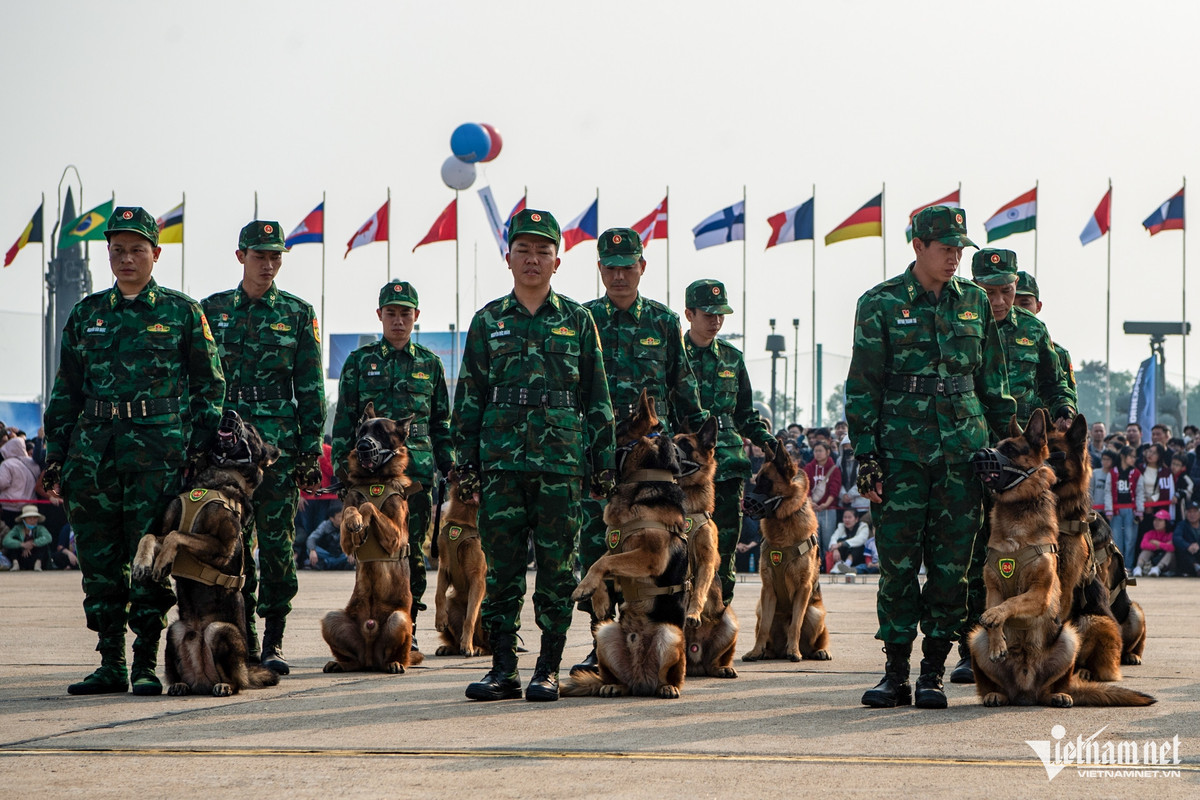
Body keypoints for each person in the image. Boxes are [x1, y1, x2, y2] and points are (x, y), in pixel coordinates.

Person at [43, 206, 225, 695]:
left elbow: (211, 384)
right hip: (94, 455)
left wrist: (197, 446)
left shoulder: (182, 312)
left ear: (155, 254)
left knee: (149, 561)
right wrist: (56, 454)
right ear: (108, 254)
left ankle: (145, 662)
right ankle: (110, 662)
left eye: (137, 250)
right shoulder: (86, 314)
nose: (127, 259)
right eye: (118, 250)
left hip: (158, 456)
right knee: (100, 563)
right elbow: (66, 391)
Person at [845, 205, 1014, 710]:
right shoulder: (879, 303)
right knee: (898, 566)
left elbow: (994, 383)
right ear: (918, 246)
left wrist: (1004, 450)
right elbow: (863, 385)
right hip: (901, 456)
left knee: (951, 569)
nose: (955, 258)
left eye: (960, 248)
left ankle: (934, 671)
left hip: (964, 456)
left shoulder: (975, 303)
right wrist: (867, 455)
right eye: (945, 248)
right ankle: (894, 671)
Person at [452, 209, 615, 702]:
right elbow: (470, 398)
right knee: (500, 569)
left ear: (557, 261)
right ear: (508, 258)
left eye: (543, 250)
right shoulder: (488, 321)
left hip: (560, 466)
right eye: (524, 250)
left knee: (557, 567)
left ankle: (547, 667)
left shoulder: (578, 320)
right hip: (500, 465)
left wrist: (602, 464)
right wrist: (465, 466)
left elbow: (598, 397)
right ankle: (503, 667)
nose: (533, 259)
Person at [571, 229, 708, 674]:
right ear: (599, 270)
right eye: (610, 267)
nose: (619, 275)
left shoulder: (665, 323)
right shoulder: (584, 319)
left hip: (653, 465)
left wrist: (702, 455)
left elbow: (684, 391)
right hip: (603, 456)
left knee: (658, 548)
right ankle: (601, 639)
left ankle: (663, 632)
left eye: (627, 266)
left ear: (641, 268)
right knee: (599, 543)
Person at [202, 220, 325, 675]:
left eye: (276, 256)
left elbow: (311, 387)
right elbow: (197, 379)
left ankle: (273, 637)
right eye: (260, 256)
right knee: (230, 545)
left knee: (275, 546)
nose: (269, 264)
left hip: (277, 447)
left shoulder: (296, 313)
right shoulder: (211, 311)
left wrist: (310, 450)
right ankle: (244, 636)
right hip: (225, 448)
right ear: (241, 257)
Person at [951, 249, 1075, 684]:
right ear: (975, 287)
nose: (1000, 301)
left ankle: (1040, 637)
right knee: (975, 554)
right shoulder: (961, 325)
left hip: (1024, 461)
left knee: (1041, 552)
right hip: (974, 451)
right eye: (990, 291)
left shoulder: (1033, 330)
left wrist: (1063, 406)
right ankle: (973, 646)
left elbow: (1055, 380)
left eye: (1008, 291)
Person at [331, 280, 454, 646]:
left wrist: (450, 467)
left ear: (416, 316)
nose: (398, 321)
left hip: (414, 476)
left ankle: (407, 626)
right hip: (367, 478)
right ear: (379, 315)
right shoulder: (358, 362)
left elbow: (440, 424)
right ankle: (368, 619)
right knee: (368, 554)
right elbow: (344, 421)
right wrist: (342, 470)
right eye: (391, 313)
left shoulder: (430, 365)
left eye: (405, 313)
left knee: (409, 552)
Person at [680, 278, 774, 607]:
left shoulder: (732, 359)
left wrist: (765, 439)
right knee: (681, 550)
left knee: (723, 550)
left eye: (720, 314)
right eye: (708, 314)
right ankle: (684, 626)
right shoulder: (674, 357)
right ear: (689, 314)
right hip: (687, 471)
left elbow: (746, 413)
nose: (715, 321)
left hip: (729, 466)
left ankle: (718, 623)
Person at [1013, 271, 1077, 400]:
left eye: (1024, 304)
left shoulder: (1058, 354)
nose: (1017, 310)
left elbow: (1065, 397)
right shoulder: (988, 342)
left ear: (1038, 307)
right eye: (1012, 304)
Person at [1104, 445, 1143, 570]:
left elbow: (1140, 492)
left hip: (1131, 510)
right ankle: (1118, 567)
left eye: (1134, 457)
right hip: (1116, 510)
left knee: (1130, 539)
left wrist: (1139, 510)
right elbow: (1108, 491)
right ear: (1123, 456)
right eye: (1131, 456)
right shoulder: (1113, 472)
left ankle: (1129, 565)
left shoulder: (1136, 473)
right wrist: (1109, 509)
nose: (1133, 459)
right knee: (1117, 539)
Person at [803, 441, 842, 559]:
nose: (818, 454)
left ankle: (827, 565)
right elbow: (806, 486)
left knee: (828, 538)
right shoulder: (809, 467)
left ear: (828, 452)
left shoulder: (834, 469)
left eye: (820, 451)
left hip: (829, 509)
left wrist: (826, 504)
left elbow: (834, 489)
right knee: (812, 539)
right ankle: (814, 565)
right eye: (815, 451)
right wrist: (810, 502)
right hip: (812, 509)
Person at [0, 434, 39, 529]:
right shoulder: (33, 463)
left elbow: (2, 483)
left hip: (10, 508)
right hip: (30, 509)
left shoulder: (7, 464)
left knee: (11, 536)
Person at [2, 505, 52, 571]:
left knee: (43, 545)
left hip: (35, 556)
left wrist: (33, 543)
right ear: (24, 519)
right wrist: (22, 544)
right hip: (22, 556)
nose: (32, 520)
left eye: (35, 518)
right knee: (13, 542)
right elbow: (6, 541)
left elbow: (48, 538)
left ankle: (38, 564)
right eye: (29, 518)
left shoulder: (40, 528)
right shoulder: (17, 528)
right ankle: (15, 564)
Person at [306, 502, 351, 570]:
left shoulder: (349, 525)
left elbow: (356, 540)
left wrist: (352, 552)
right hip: (327, 553)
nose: (342, 519)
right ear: (332, 518)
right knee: (309, 550)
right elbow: (311, 538)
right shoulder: (325, 525)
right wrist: (312, 550)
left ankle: (327, 563)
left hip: (342, 553)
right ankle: (335, 564)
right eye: (339, 516)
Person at [826, 508, 871, 574]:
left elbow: (860, 539)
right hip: (843, 555)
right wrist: (835, 549)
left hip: (858, 557)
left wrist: (841, 544)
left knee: (857, 545)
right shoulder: (841, 526)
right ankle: (839, 565)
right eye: (845, 517)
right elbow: (833, 538)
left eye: (849, 517)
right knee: (839, 541)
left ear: (856, 519)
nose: (847, 520)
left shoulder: (863, 526)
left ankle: (847, 564)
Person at [1133, 509, 1175, 577]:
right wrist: (1163, 546)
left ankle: (1157, 568)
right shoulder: (1149, 533)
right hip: (1152, 560)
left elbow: (1173, 548)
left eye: (1160, 520)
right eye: (1155, 519)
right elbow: (1143, 545)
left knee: (1170, 553)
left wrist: (1158, 543)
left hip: (1168, 566)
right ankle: (1138, 567)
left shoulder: (1171, 535)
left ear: (1166, 522)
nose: (1156, 522)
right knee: (1146, 551)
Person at [1173, 500, 1200, 577]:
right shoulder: (1182, 525)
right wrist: (1188, 546)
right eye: (1189, 512)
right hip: (1189, 555)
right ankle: (1197, 567)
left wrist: (1198, 545)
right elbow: (1176, 538)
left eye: (1195, 512)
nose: (1192, 514)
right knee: (1181, 548)